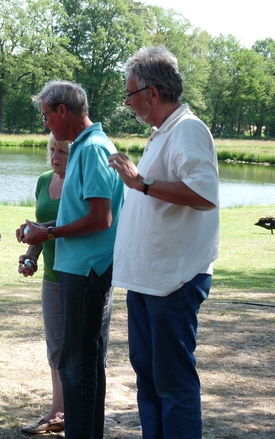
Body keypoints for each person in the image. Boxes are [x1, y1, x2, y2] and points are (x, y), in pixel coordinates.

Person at [109, 46, 219, 439]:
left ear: (152, 93)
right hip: (148, 281)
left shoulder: (188, 129)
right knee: (149, 378)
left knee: (173, 381)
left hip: (173, 282)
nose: (128, 102)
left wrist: (141, 182)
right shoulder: (163, 133)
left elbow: (203, 194)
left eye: (130, 94)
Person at [17, 80, 123, 439]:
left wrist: (49, 234)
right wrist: (44, 228)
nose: (46, 123)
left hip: (86, 271)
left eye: (46, 115)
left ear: (63, 110)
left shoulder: (92, 149)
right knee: (83, 364)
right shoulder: (84, 147)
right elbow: (78, 213)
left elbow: (100, 218)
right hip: (79, 269)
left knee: (78, 368)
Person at [17, 134, 69, 435]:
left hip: (79, 274)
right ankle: (57, 411)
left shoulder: (80, 182)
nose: (55, 156)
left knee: (77, 349)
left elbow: (76, 222)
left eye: (62, 151)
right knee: (55, 347)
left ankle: (77, 411)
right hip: (52, 275)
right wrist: (31, 255)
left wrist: (38, 232)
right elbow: (41, 230)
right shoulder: (44, 180)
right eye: (52, 149)